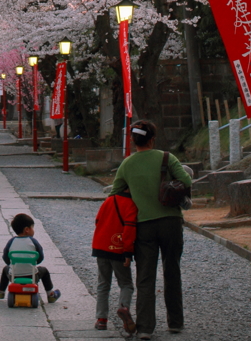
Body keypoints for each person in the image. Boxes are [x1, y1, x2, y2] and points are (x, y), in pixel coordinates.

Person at [110, 119, 191, 340]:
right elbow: (185, 180)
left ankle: (145, 328)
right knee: (172, 270)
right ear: (152, 138)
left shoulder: (127, 164)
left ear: (133, 140)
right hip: (171, 222)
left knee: (145, 277)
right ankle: (175, 323)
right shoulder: (167, 157)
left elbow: (114, 193)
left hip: (143, 225)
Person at [92, 192, 138, 333]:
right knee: (126, 284)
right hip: (118, 249)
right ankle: (123, 307)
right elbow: (129, 228)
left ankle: (101, 320)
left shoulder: (109, 200)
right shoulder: (132, 203)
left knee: (103, 284)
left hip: (100, 246)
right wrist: (128, 252)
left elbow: (97, 220)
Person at [0, 213, 61, 303]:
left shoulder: (11, 241)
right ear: (26, 230)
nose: (33, 230)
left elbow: (6, 258)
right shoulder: (33, 241)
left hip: (13, 276)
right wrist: (33, 262)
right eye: (32, 228)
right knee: (44, 271)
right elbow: (40, 257)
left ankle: (1, 291)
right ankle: (50, 294)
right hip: (32, 276)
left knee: (6, 269)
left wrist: (11, 264)